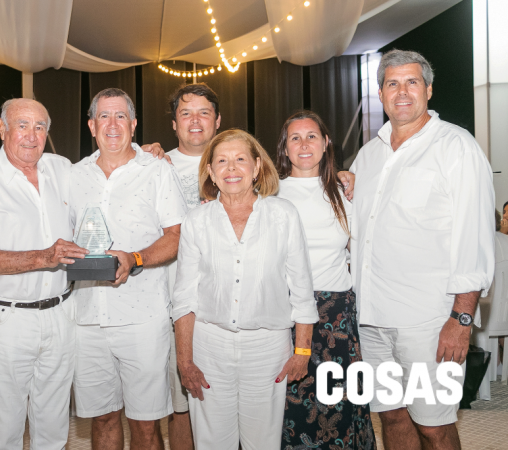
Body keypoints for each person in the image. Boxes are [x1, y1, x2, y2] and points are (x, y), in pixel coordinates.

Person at [349, 49, 494, 449]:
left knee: (434, 425)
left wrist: (461, 319)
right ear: (381, 93)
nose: (402, 92)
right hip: (371, 319)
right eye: (392, 84)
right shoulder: (368, 155)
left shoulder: (456, 146)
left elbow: (474, 238)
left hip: (428, 321)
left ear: (428, 90)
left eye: (412, 82)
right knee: (391, 416)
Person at [172, 129, 318, 449]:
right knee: (212, 443)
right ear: (211, 172)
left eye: (240, 159)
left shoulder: (283, 214)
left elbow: (302, 290)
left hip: (268, 348)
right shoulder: (196, 220)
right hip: (209, 347)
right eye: (221, 161)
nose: (231, 168)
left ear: (256, 167)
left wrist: (302, 351)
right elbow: (184, 298)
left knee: (262, 443)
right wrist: (185, 362)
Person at [0, 98, 85, 449]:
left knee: (54, 424)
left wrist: (144, 152)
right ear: (2, 128)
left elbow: (103, 169)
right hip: (8, 320)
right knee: (5, 426)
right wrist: (45, 257)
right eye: (22, 125)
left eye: (40, 127)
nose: (32, 135)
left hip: (61, 314)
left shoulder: (62, 168)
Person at [70, 88, 188, 450]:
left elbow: (178, 236)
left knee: (145, 424)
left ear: (133, 124)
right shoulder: (73, 176)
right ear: (91, 126)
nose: (112, 124)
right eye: (104, 116)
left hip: (143, 319)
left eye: (120, 116)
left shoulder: (156, 170)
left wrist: (135, 258)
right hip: (87, 319)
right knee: (102, 419)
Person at [276, 110, 376, 449]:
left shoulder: (345, 192)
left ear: (326, 143)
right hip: (286, 311)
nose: (304, 144)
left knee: (340, 403)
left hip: (336, 313)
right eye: (295, 138)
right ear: (285, 147)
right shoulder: (269, 193)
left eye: (312, 137)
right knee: (291, 405)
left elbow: (359, 250)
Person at [165, 82, 222, 450]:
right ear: (174, 124)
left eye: (204, 112)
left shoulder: (238, 159)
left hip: (227, 305)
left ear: (218, 120)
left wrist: (343, 176)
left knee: (227, 404)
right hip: (174, 305)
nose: (195, 120)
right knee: (181, 406)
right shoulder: (155, 165)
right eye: (186, 113)